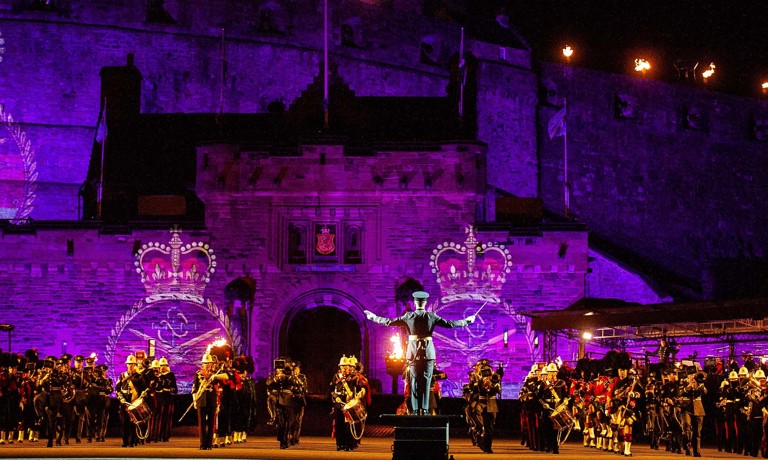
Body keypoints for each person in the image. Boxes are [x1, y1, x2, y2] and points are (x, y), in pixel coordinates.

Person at [364, 291, 475, 415]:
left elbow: (389, 321)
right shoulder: (431, 316)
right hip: (428, 351)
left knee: (414, 381)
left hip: (413, 352)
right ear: (425, 303)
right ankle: (426, 409)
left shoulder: (408, 316)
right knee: (427, 381)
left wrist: (373, 317)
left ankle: (416, 410)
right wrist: (467, 321)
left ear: (415, 303)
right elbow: (450, 324)